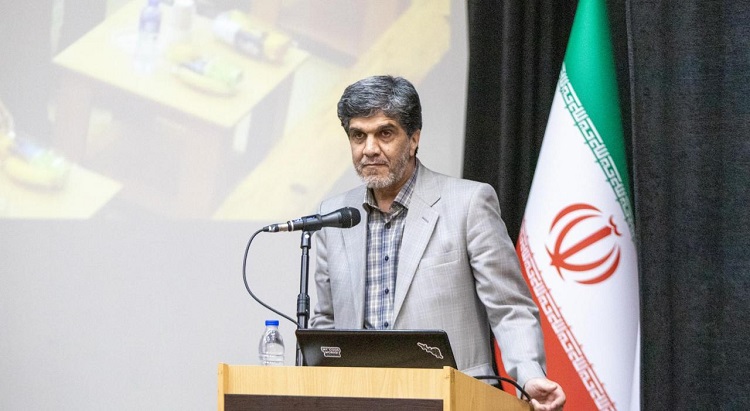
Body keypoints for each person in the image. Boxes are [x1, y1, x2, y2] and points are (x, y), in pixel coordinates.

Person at [310, 75, 565, 410]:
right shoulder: (333, 216)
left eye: (385, 133)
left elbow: (509, 308)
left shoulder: (469, 203)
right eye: (359, 135)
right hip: (359, 400)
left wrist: (529, 375)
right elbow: (325, 323)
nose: (369, 149)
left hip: (453, 399)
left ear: (414, 139)